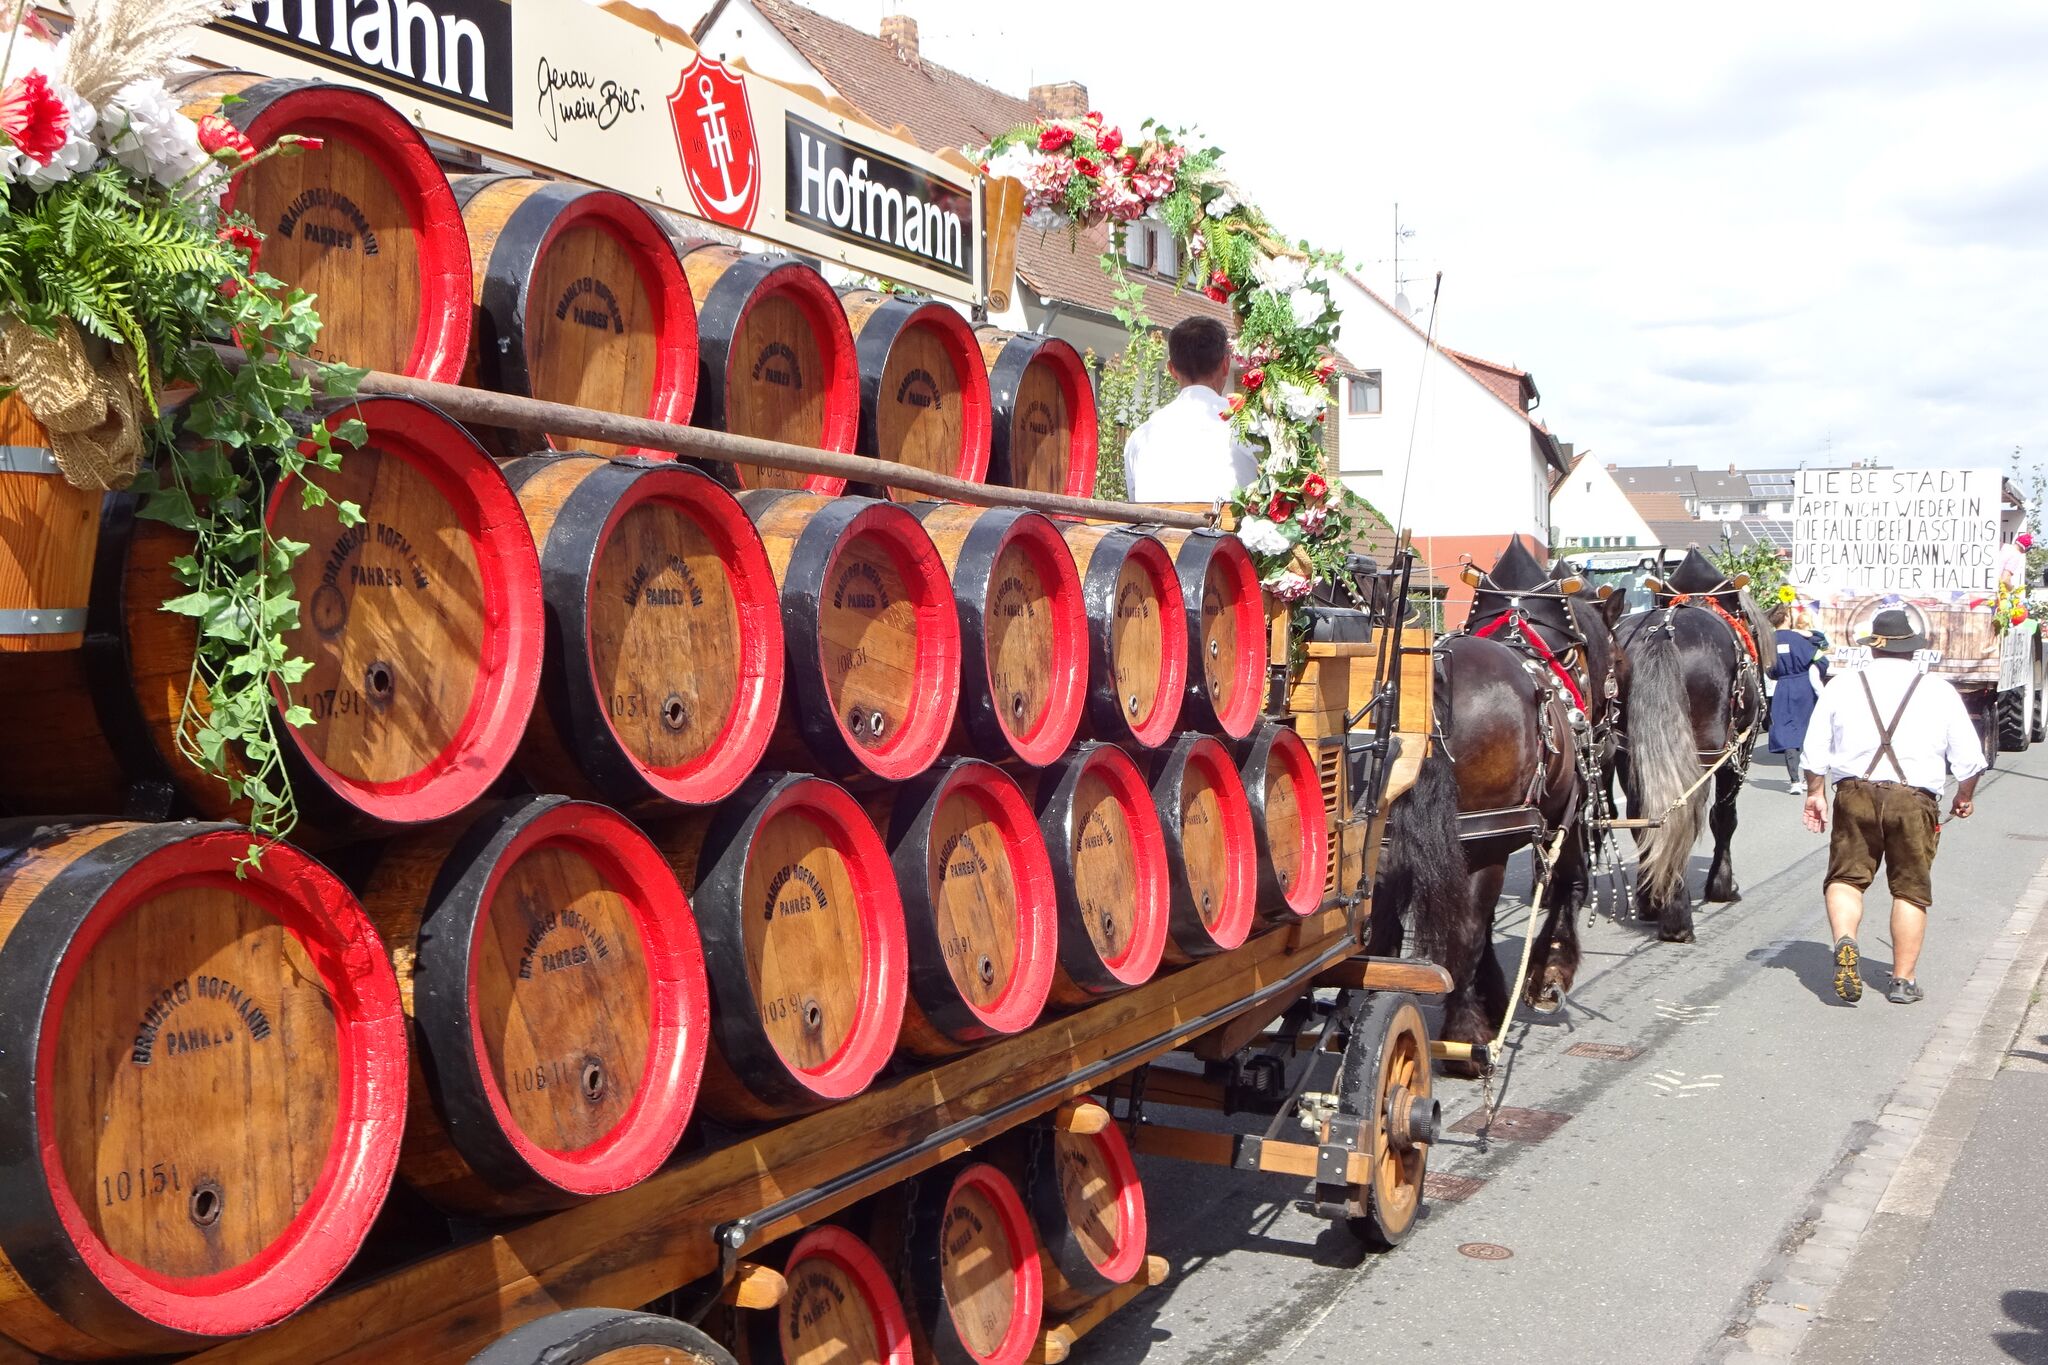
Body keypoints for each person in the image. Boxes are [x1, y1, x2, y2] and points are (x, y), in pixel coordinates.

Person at [1800, 608, 1985, 1006]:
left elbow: (1814, 751)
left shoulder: (1843, 685)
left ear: (1873, 648)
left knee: (1846, 879)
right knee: (1909, 890)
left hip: (1855, 792)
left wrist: (1816, 793)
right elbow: (1970, 760)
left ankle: (1845, 939)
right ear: (1913, 650)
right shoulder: (1938, 690)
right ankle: (1903, 981)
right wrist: (1964, 796)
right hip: (1913, 799)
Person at [1122, 316, 1259, 504]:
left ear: (1171, 370)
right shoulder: (1252, 427)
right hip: (1229, 523)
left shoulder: (1139, 437)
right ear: (1226, 365)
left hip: (1156, 524)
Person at [1766, 601, 1828, 792]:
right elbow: (1821, 660)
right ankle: (1809, 778)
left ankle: (1794, 781)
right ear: (1786, 617)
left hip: (1783, 688)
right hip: (1804, 687)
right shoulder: (1800, 638)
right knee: (1808, 730)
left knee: (1788, 732)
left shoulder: (1768, 642)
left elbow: (1769, 671)